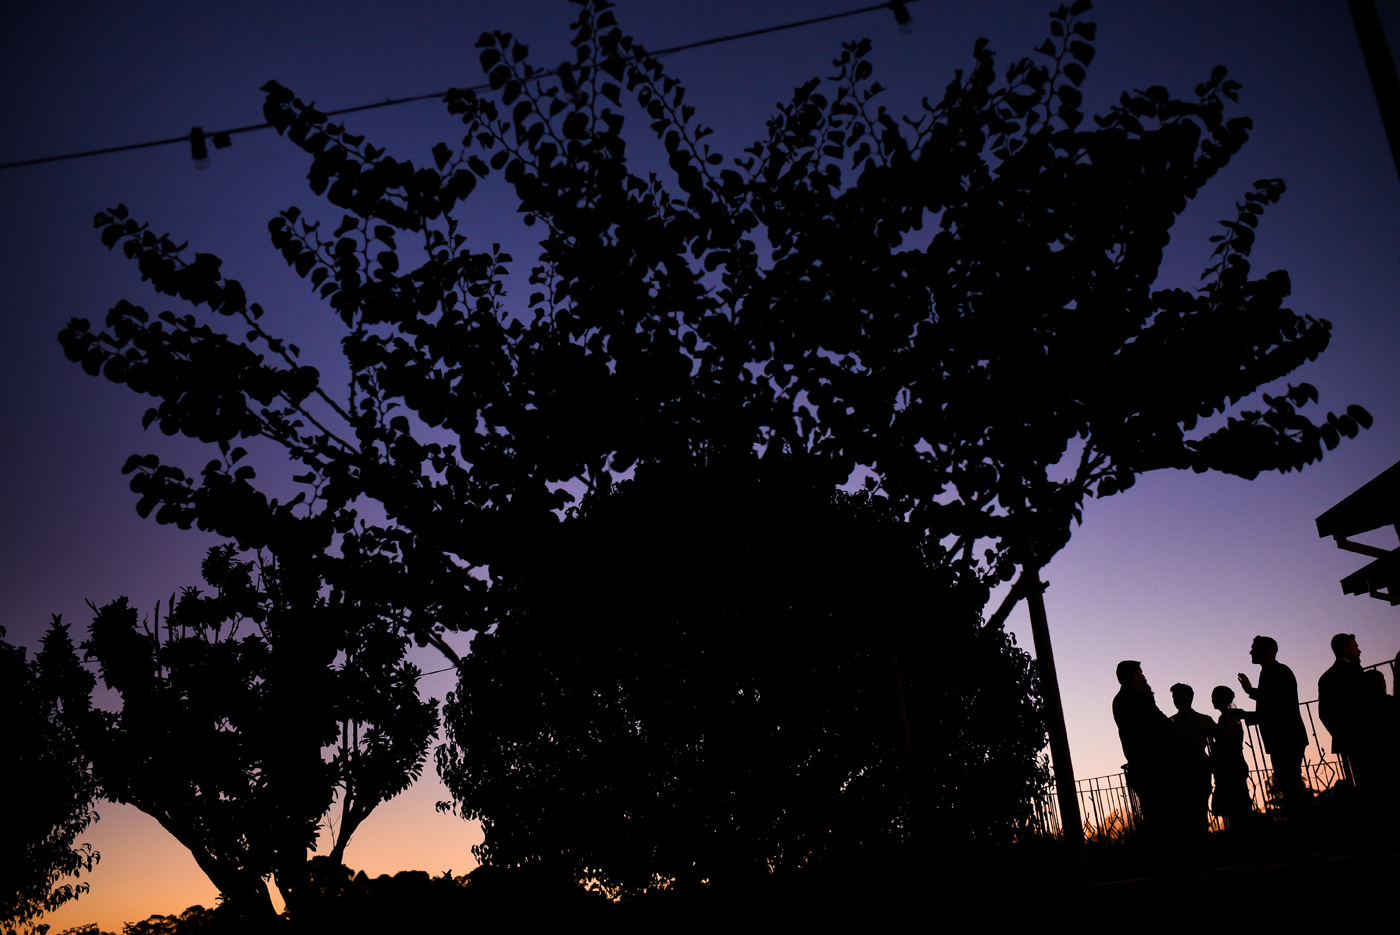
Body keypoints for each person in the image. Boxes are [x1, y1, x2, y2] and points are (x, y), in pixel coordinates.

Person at [1237, 636, 1309, 810]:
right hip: (1286, 738)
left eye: (1254, 648)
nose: (1250, 652)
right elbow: (1272, 703)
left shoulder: (1277, 671)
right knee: (1290, 784)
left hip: (1285, 738)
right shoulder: (1273, 671)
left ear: (1267, 650)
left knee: (1291, 785)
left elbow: (1275, 706)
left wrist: (1248, 702)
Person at [1113, 661, 1182, 833]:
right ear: (1133, 675)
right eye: (1141, 673)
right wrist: (1171, 723)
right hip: (1155, 763)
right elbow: (1158, 722)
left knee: (1153, 813)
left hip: (1139, 763)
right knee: (1166, 815)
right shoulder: (1138, 697)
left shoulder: (1119, 700)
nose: (1144, 676)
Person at [1318, 633, 1372, 789]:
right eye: (1355, 646)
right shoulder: (1355, 672)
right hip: (1366, 739)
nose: (1359, 651)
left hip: (1348, 742)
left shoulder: (1326, 678)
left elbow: (1324, 714)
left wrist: (1341, 735)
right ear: (1345, 648)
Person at [1169, 683, 1215, 832]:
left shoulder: (1203, 720)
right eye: (1174, 697)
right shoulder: (1170, 723)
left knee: (1199, 812)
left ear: (1189, 698)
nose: (1176, 700)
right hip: (1181, 772)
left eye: (1178, 696)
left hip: (1198, 769)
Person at [1209, 686, 1252, 828]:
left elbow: (1227, 741)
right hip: (1235, 764)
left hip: (1229, 766)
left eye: (1214, 697)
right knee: (1239, 806)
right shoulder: (1232, 716)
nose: (1212, 700)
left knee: (1233, 807)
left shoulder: (1226, 718)